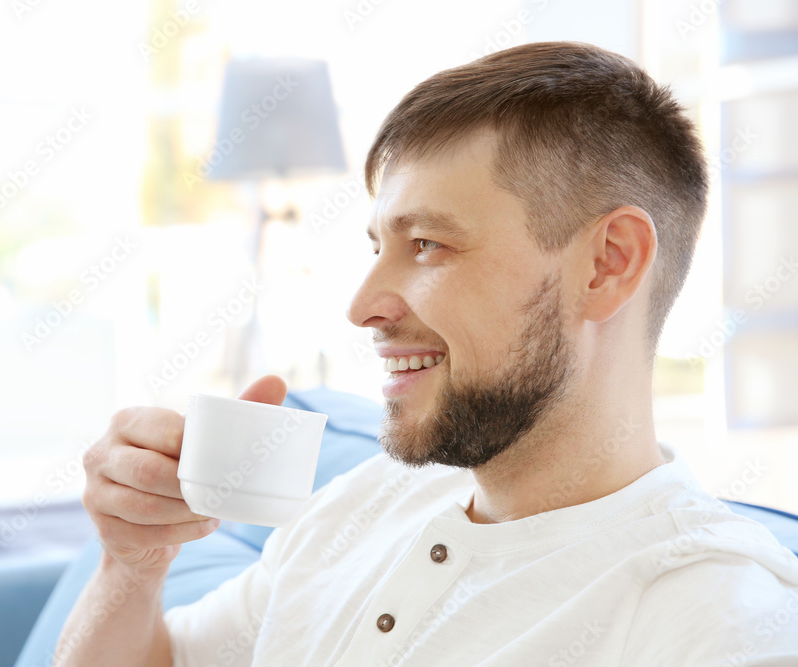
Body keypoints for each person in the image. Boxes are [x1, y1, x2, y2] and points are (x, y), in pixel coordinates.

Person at [56, 41, 798, 666]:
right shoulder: (363, 502)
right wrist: (132, 565)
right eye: (379, 246)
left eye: (426, 245)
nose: (361, 305)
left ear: (609, 263)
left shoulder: (715, 619)